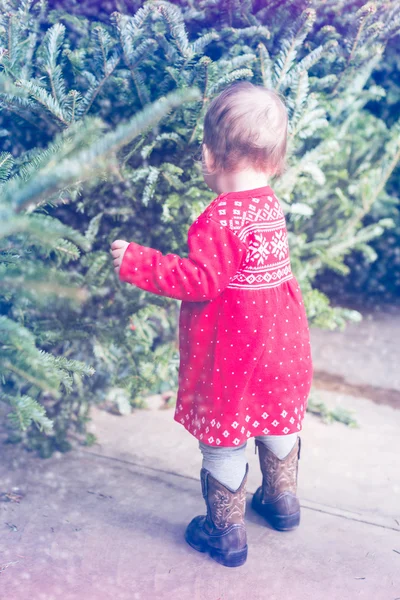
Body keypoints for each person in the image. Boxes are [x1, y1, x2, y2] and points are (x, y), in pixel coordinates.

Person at [111, 81, 313, 568]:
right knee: (276, 419)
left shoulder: (219, 219)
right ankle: (282, 501)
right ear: (277, 159)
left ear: (208, 155)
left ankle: (225, 531)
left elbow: (200, 280)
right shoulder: (271, 207)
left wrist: (138, 261)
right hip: (282, 345)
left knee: (225, 436)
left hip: (235, 354)